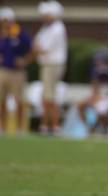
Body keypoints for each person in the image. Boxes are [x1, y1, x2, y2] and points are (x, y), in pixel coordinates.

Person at [33, 1, 67, 134]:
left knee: (49, 97)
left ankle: (52, 125)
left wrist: (36, 48)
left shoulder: (57, 28)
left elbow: (43, 48)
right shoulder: (46, 28)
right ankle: (47, 125)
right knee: (47, 96)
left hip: (53, 64)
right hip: (48, 64)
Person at [77, 49, 108, 135]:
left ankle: (105, 127)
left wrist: (103, 99)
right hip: (101, 96)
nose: (98, 63)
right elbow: (95, 88)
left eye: (100, 60)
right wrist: (95, 98)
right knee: (80, 104)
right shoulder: (95, 71)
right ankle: (89, 128)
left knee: (105, 109)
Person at [0, 7, 31, 134]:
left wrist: (25, 60)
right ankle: (2, 127)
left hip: (17, 73)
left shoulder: (19, 33)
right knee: (1, 100)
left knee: (19, 100)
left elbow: (31, 48)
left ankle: (19, 128)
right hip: (3, 70)